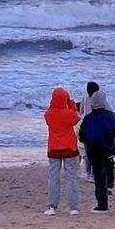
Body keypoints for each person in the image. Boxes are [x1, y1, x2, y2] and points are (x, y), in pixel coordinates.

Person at [78, 93, 115, 212]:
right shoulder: (111, 115)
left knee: (98, 177)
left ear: (92, 103)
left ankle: (102, 205)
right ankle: (109, 185)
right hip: (109, 149)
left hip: (94, 151)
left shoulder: (88, 118)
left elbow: (82, 137)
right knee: (108, 166)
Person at [43, 85, 81, 215]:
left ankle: (52, 207)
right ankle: (74, 207)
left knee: (54, 178)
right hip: (69, 147)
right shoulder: (69, 114)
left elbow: (49, 113)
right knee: (71, 178)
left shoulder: (49, 114)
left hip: (54, 148)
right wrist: (71, 104)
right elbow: (77, 117)